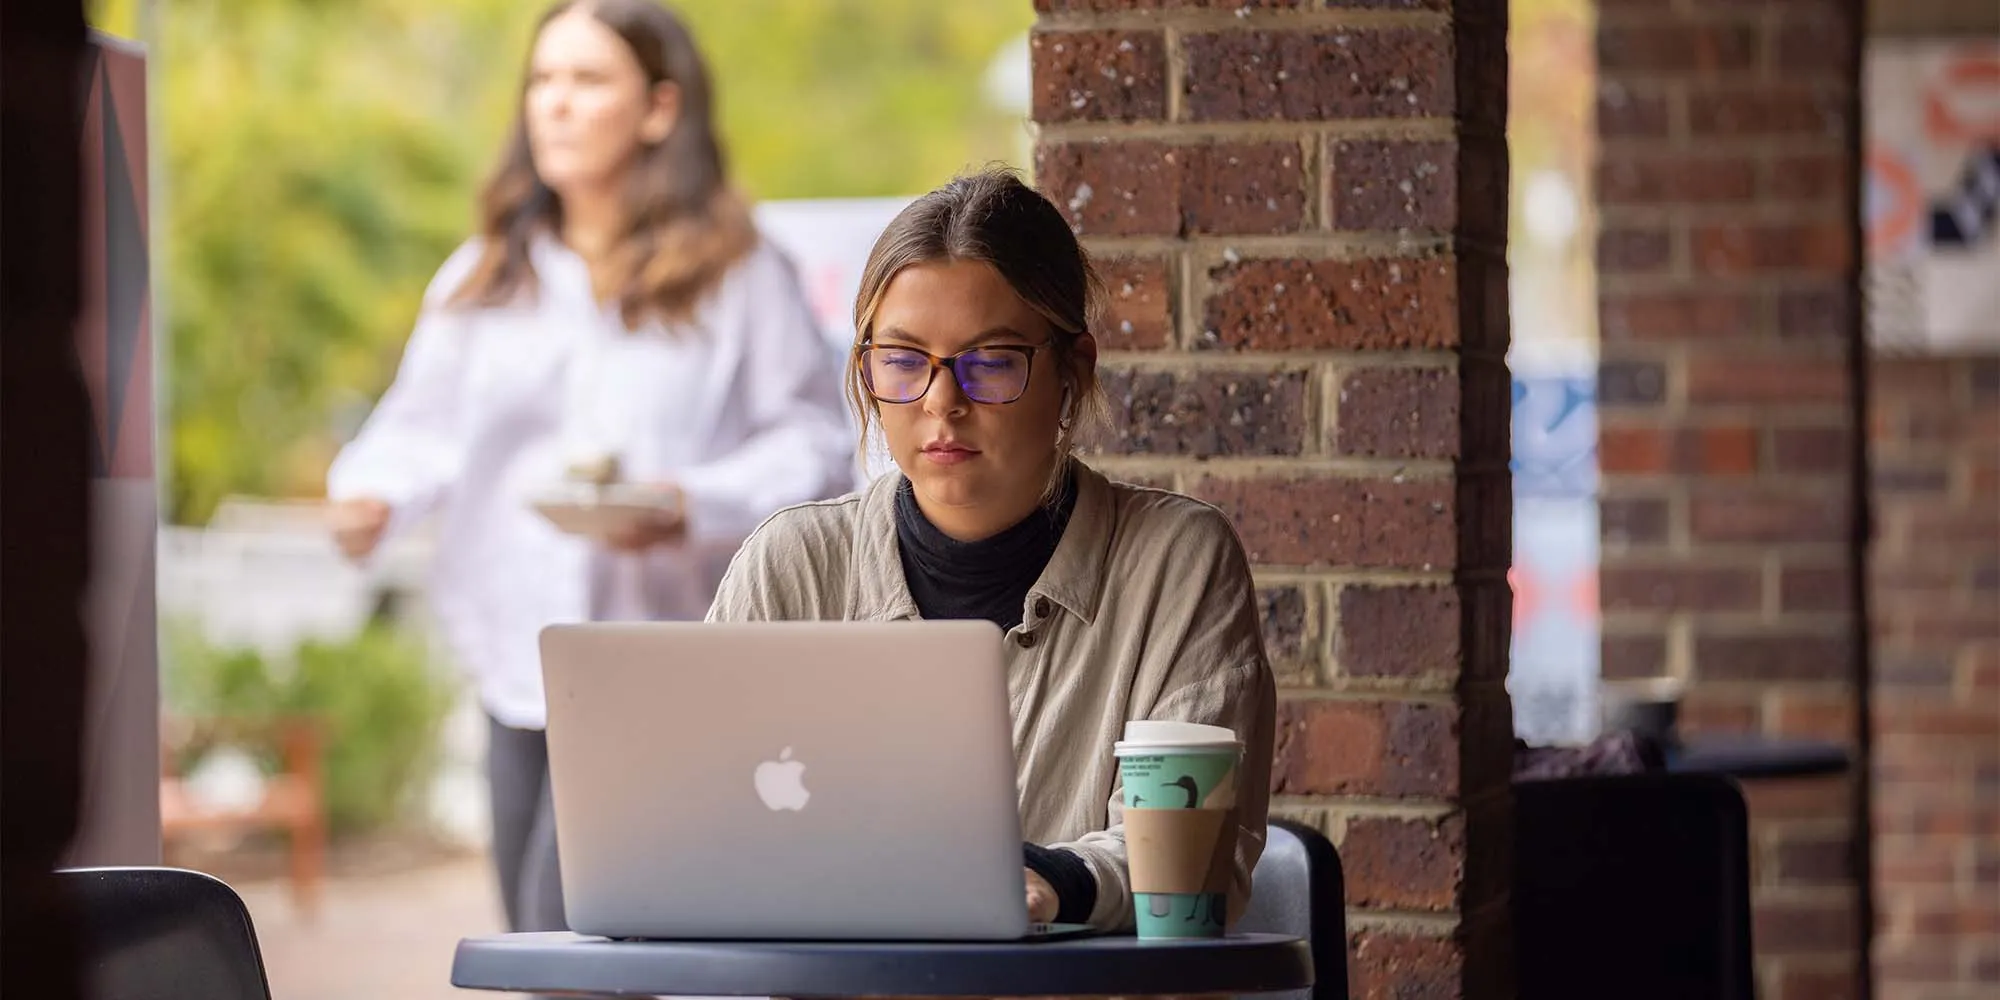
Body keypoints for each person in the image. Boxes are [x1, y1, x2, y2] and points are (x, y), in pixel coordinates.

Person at [325, 0, 849, 937]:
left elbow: (816, 443)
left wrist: (695, 502)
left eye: (587, 80)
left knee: (576, 941)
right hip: (518, 665)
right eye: (543, 80)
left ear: (657, 108)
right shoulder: (485, 275)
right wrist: (367, 495)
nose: (554, 105)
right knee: (544, 946)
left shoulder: (740, 273)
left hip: (661, 665)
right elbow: (418, 431)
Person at [707, 167, 1277, 931]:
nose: (944, 400)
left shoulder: (1174, 563)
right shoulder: (792, 566)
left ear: (1073, 372)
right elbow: (695, 818)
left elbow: (1193, 858)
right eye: (904, 360)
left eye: (992, 361)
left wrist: (1055, 882)